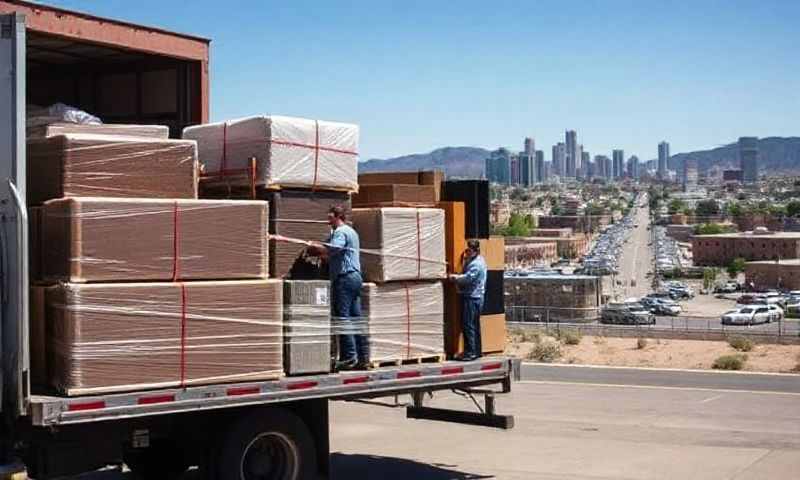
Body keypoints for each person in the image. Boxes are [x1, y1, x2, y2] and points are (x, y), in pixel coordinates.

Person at [308, 206, 369, 370]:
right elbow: (335, 253)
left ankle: (350, 358)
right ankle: (363, 357)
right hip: (355, 277)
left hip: (345, 278)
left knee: (343, 317)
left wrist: (314, 249)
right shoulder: (351, 231)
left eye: (330, 216)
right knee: (355, 317)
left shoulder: (340, 232)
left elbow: (334, 248)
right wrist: (323, 253)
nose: (327, 219)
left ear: (337, 216)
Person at [449, 239, 487, 361]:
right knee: (474, 325)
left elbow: (468, 278)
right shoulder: (476, 260)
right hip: (475, 297)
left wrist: (454, 278)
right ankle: (477, 351)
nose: (467, 253)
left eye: (470, 251)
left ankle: (470, 352)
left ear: (476, 251)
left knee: (468, 325)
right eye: (467, 251)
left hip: (472, 298)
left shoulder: (476, 264)